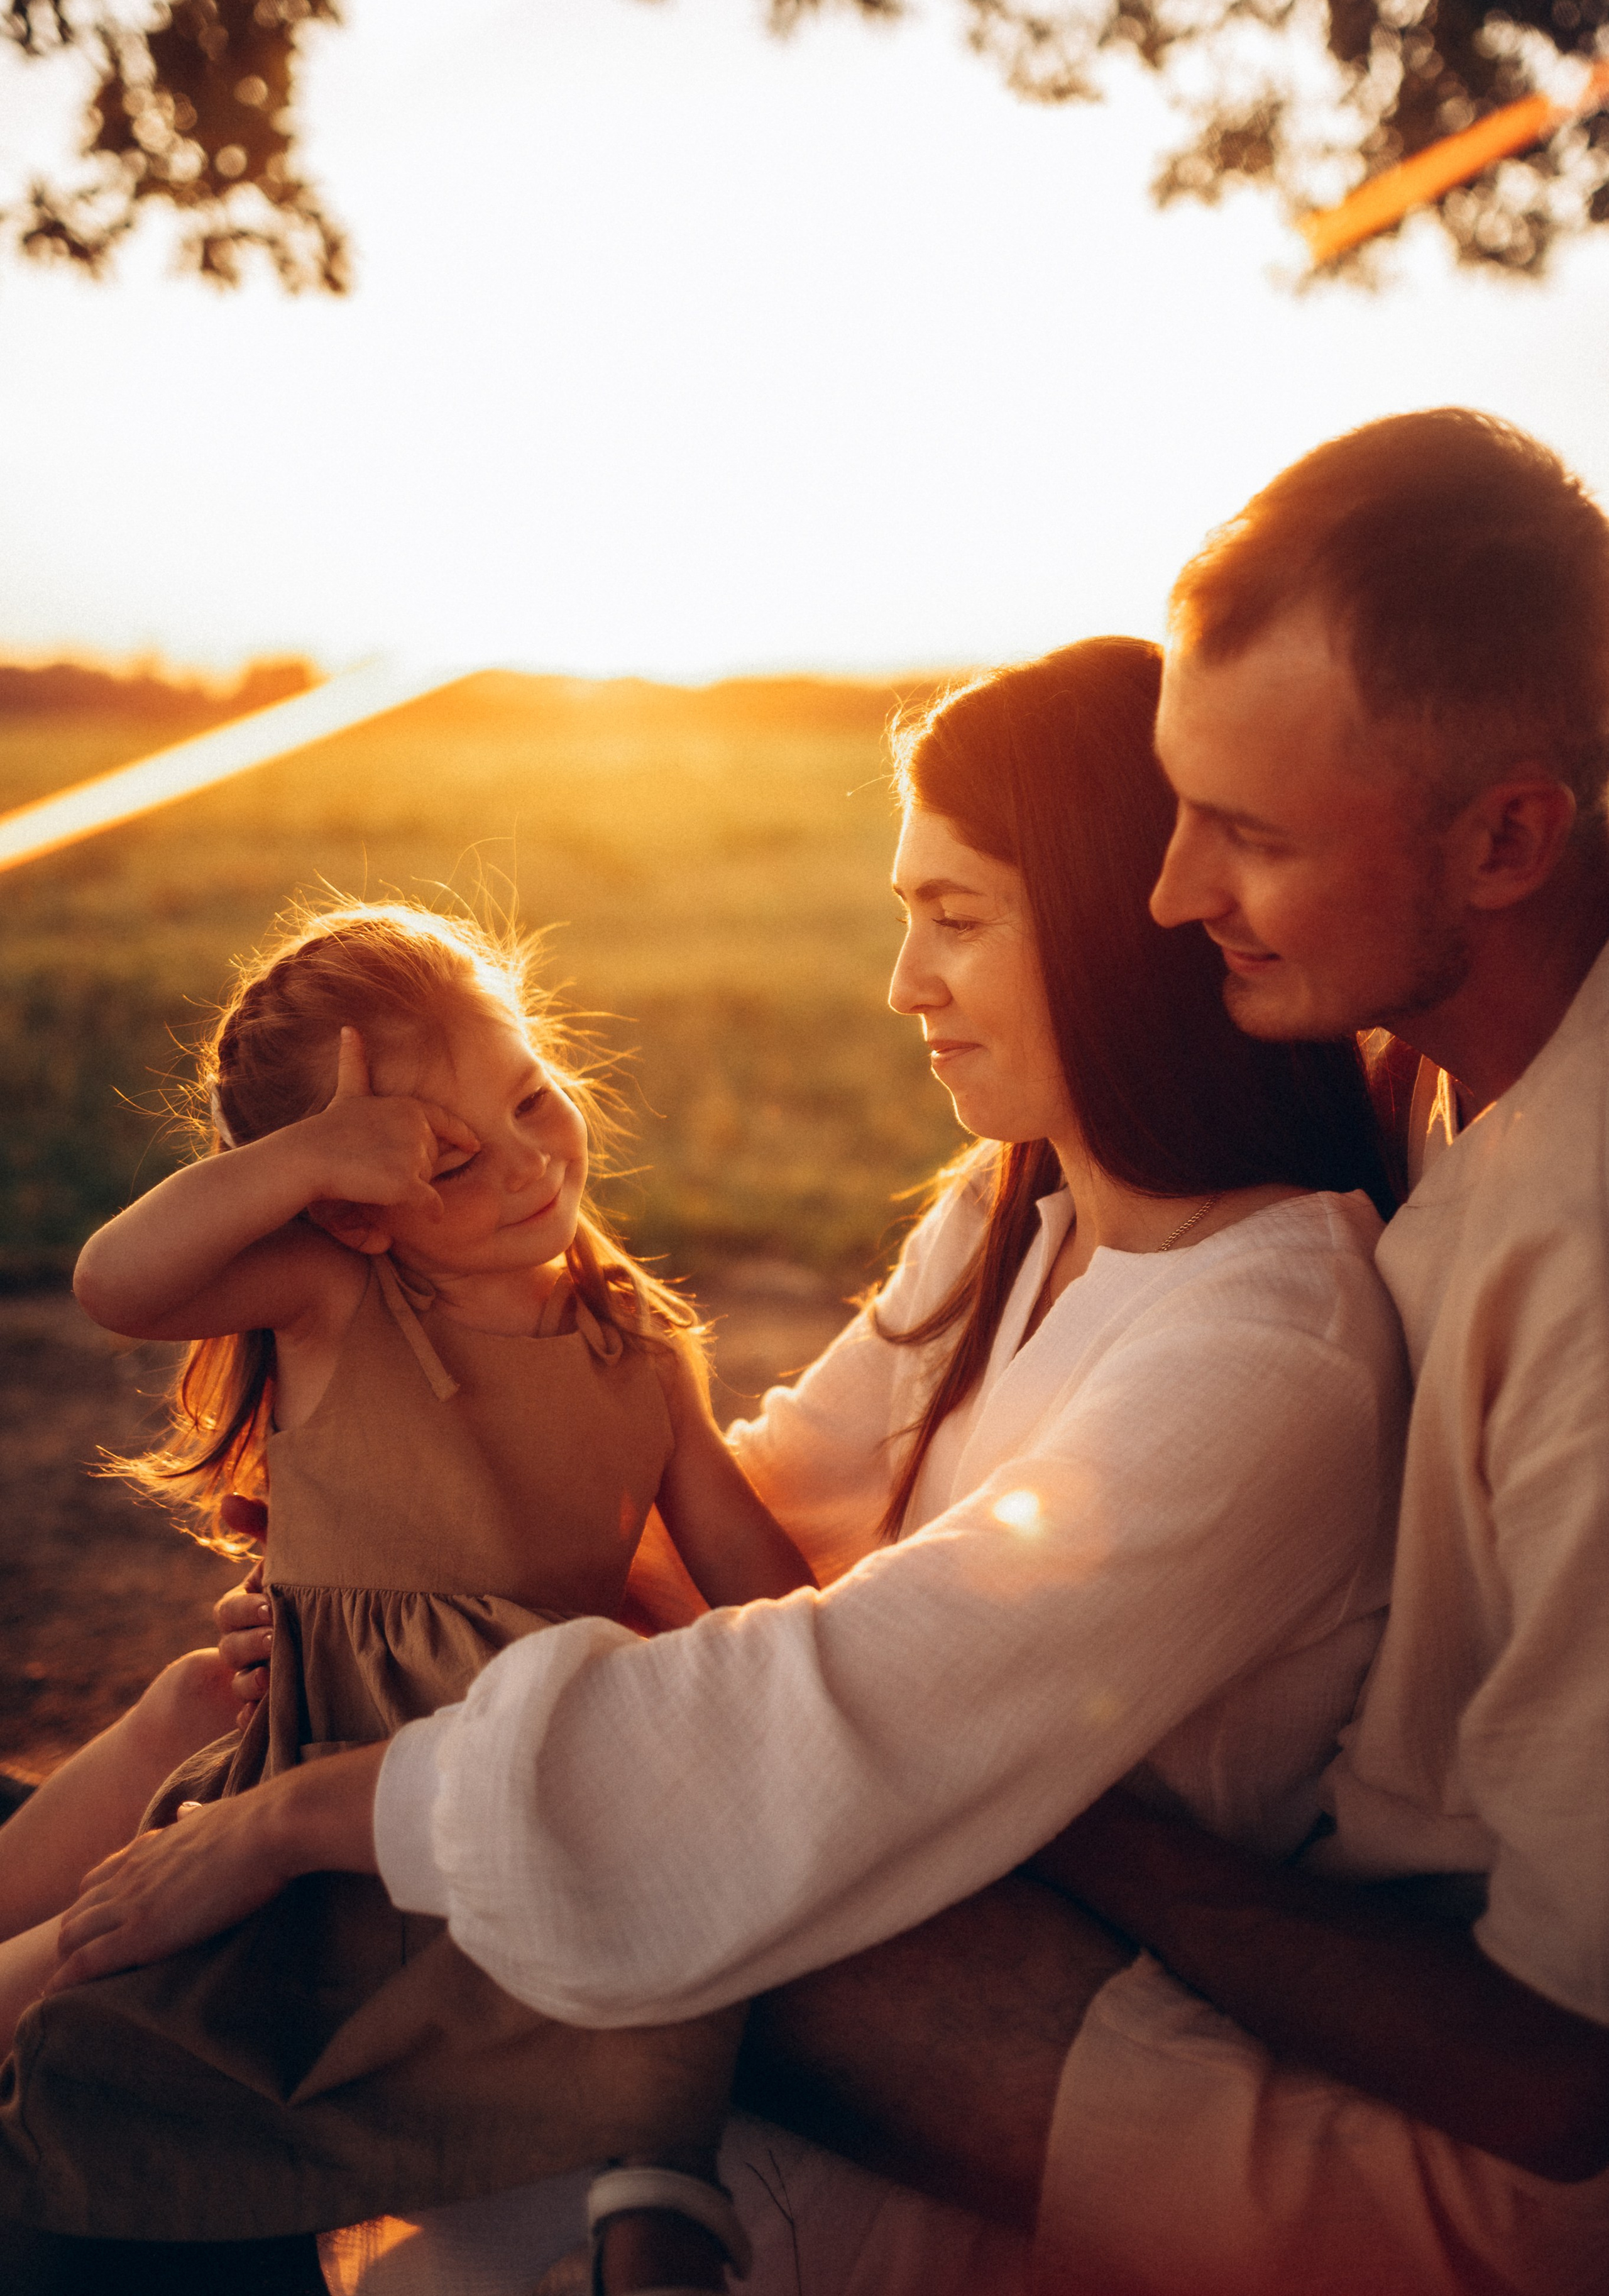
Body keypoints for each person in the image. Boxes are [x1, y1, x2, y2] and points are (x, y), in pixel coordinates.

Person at [8, 638, 1410, 2292]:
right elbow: (749, 1516)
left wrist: (308, 1813)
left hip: (901, 2035)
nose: (903, 982)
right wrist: (439, 1561)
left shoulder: (1265, 1345)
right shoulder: (1015, 1210)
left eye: (955, 917)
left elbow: (838, 1697)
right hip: (744, 1919)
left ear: (1121, 919)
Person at [0, 899, 817, 2294]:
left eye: (531, 1096)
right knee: (114, 1996)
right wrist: (311, 1154)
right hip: (308, 1786)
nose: (526, 1159)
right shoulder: (339, 1294)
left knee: (668, 1918)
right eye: (448, 1156)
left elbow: (762, 1589)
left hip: (502, 1776)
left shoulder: (638, 1348)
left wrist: (827, 1686)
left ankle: (652, 2199)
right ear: (346, 1204)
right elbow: (114, 1283)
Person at [1018, 409, 1609, 2293]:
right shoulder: (1419, 1060)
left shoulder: (1588, 1280)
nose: (1167, 892)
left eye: (1251, 837)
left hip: (1519, 2160)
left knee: (755, 1937)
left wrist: (1047, 1810)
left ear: (1509, 836)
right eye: (1176, 800)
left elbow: (1562, 2071)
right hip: (1341, 1916)